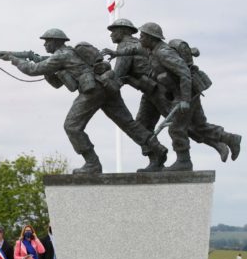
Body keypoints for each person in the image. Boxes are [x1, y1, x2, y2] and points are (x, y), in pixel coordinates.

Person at [0, 28, 168, 173]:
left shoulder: (61, 55)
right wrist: (46, 67)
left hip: (92, 91)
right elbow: (57, 83)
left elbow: (32, 70)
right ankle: (157, 148)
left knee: (72, 126)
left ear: (55, 42)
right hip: (106, 87)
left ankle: (92, 163)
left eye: (47, 42)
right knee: (128, 123)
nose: (44, 45)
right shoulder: (68, 53)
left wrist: (14, 60)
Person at [102, 19, 241, 166]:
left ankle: (184, 160)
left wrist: (184, 99)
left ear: (123, 31)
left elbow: (184, 73)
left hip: (171, 92)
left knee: (179, 127)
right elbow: (134, 51)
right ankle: (225, 140)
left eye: (114, 31)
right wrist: (116, 53)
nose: (111, 35)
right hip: (154, 92)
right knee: (187, 125)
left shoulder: (161, 52)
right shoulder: (146, 47)